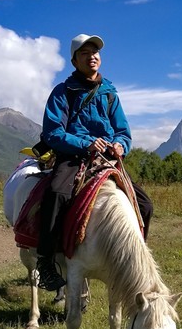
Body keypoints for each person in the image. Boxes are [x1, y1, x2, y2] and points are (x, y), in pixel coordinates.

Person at [36, 33, 153, 291]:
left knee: (144, 204)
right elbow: (53, 132)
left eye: (95, 52)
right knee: (56, 193)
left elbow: (123, 130)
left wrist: (121, 144)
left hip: (107, 160)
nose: (92, 57)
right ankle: (45, 261)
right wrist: (84, 144)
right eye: (85, 53)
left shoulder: (110, 93)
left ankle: (133, 256)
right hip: (74, 156)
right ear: (75, 61)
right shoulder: (63, 92)